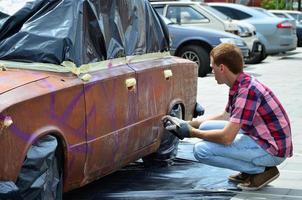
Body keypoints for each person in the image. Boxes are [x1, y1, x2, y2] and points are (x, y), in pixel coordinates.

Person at [162, 43, 293, 191]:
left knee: (201, 150)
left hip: (272, 150)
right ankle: (252, 169)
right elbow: (225, 116)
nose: (212, 70)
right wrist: (189, 123)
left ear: (222, 68)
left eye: (213, 66)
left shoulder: (247, 91)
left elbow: (226, 137)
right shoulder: (240, 83)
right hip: (262, 138)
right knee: (205, 127)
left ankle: (261, 171)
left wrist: (191, 133)